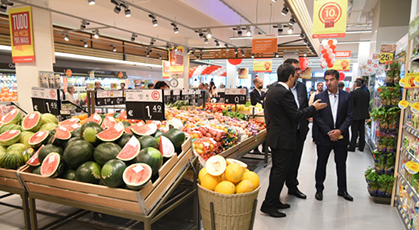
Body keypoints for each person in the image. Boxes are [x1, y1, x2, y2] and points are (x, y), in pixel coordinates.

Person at [260, 63, 327, 218]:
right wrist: (313, 108)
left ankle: (274, 200)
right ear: (290, 76)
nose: (297, 75)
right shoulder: (284, 93)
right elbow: (295, 115)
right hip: (284, 139)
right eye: (295, 73)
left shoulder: (272, 90)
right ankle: (268, 204)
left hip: (277, 137)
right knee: (279, 172)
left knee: (277, 171)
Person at [313, 69, 354, 202]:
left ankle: (342, 189)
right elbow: (317, 117)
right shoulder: (319, 97)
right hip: (324, 137)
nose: (328, 83)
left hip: (341, 136)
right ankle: (319, 189)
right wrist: (329, 132)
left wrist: (339, 131)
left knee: (341, 163)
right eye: (326, 80)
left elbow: (349, 116)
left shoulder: (347, 96)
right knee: (321, 163)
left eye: (331, 80)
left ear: (337, 80)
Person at [282, 58, 310, 199]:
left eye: (299, 69)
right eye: (296, 69)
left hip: (299, 131)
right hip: (285, 134)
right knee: (283, 164)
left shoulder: (301, 87)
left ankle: (293, 186)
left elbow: (303, 107)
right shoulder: (278, 88)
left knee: (296, 161)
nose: (299, 72)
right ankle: (278, 191)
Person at [348, 79, 370, 152]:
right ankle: (361, 146)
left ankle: (352, 146)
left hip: (355, 115)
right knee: (362, 130)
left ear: (355, 85)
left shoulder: (352, 93)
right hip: (363, 114)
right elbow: (367, 103)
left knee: (354, 131)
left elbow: (351, 105)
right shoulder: (366, 93)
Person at [250, 76, 266, 154]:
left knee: (265, 131)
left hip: (263, 114)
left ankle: (264, 148)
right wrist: (262, 101)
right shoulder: (252, 93)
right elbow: (255, 102)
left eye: (262, 82)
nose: (262, 84)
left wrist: (262, 101)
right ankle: (255, 149)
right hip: (256, 115)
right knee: (256, 131)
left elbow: (264, 102)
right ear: (256, 84)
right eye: (260, 83)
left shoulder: (263, 92)